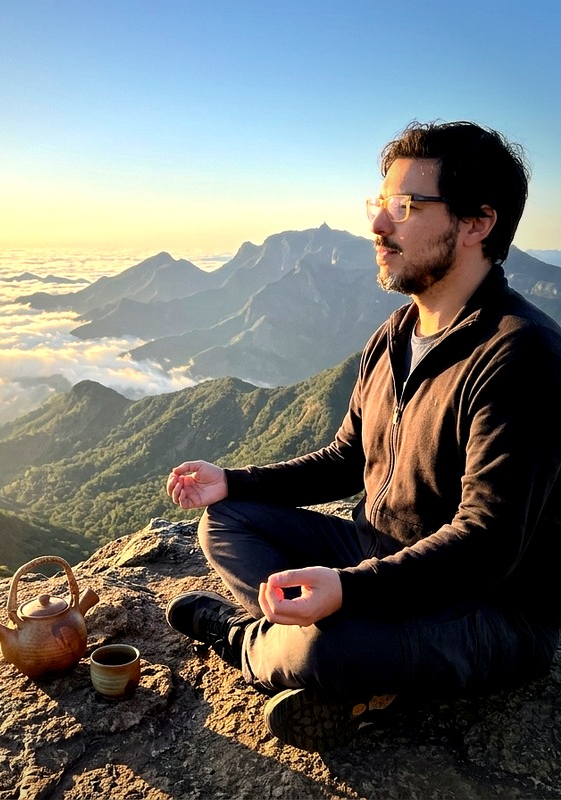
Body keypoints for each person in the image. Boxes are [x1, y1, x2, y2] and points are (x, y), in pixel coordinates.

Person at [164, 120, 561, 752]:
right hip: (376, 549)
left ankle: (242, 638)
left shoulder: (521, 355)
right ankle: (306, 651)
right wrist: (231, 481)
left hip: (488, 607)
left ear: (477, 223)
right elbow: (349, 459)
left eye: (405, 207)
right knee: (226, 519)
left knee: (331, 645)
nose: (378, 226)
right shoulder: (395, 335)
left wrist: (349, 589)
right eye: (380, 205)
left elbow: (488, 543)